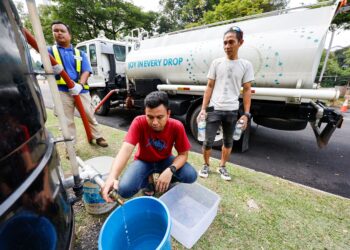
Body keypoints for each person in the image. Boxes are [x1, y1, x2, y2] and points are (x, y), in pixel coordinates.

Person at [102, 91, 197, 201]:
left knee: (190, 175)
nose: (155, 122)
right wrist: (112, 177)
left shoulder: (177, 126)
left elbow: (183, 155)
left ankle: (166, 178)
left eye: (160, 117)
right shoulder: (138, 122)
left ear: (168, 113)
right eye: (150, 117)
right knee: (124, 190)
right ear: (145, 113)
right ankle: (148, 180)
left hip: (165, 160)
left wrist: (170, 170)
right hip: (143, 161)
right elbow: (125, 150)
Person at [198, 26, 254, 181]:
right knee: (208, 141)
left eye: (231, 42)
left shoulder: (246, 65)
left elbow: (247, 90)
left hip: (232, 111)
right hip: (214, 109)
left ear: (240, 42)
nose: (227, 46)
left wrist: (246, 114)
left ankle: (222, 166)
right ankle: (206, 164)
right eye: (225, 43)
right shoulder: (216, 63)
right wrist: (203, 109)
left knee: (229, 142)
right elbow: (209, 86)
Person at [49, 20, 108, 147]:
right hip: (62, 91)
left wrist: (79, 85)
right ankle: (70, 147)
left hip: (81, 90)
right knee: (66, 121)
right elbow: (46, 68)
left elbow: (86, 70)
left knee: (89, 114)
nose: (59, 33)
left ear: (69, 35)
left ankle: (98, 136)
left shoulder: (80, 53)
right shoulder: (49, 51)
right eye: (55, 31)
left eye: (62, 31)